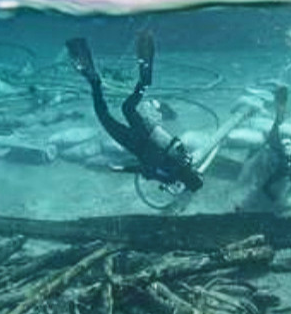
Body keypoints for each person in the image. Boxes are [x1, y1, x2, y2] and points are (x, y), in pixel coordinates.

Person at [66, 32, 203, 193]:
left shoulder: (186, 159)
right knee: (104, 116)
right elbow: (144, 169)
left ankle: (144, 81)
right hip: (136, 143)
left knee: (127, 108)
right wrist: (120, 169)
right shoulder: (170, 176)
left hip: (148, 132)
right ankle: (94, 81)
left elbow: (171, 146)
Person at [238, 86, 291, 213]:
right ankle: (286, 110)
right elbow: (266, 187)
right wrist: (275, 201)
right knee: (275, 138)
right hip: (287, 149)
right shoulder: (288, 169)